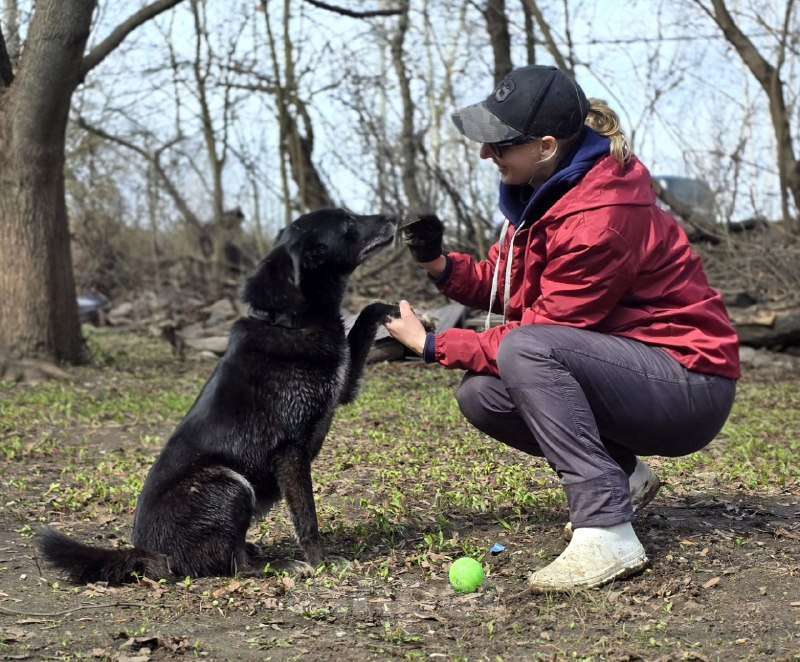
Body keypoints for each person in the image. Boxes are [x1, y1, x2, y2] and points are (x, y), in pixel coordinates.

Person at [384, 65, 739, 592]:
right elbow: (513, 288)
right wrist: (440, 265)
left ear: (546, 145)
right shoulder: (546, 196)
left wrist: (433, 344)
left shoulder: (600, 215)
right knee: (483, 395)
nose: (487, 155)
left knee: (525, 350)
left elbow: (543, 333)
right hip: (632, 369)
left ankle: (607, 529)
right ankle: (622, 475)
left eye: (500, 146)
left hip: (689, 383)